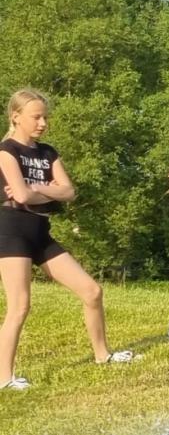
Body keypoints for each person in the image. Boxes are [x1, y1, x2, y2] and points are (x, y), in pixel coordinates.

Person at [0, 89, 132, 389]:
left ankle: (102, 355)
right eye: (36, 117)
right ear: (16, 117)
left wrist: (37, 187)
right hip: (11, 232)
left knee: (92, 291)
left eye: (45, 117)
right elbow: (20, 195)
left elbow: (69, 191)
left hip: (41, 233)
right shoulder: (7, 151)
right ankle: (4, 378)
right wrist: (48, 189)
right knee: (20, 306)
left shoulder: (48, 152)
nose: (43, 123)